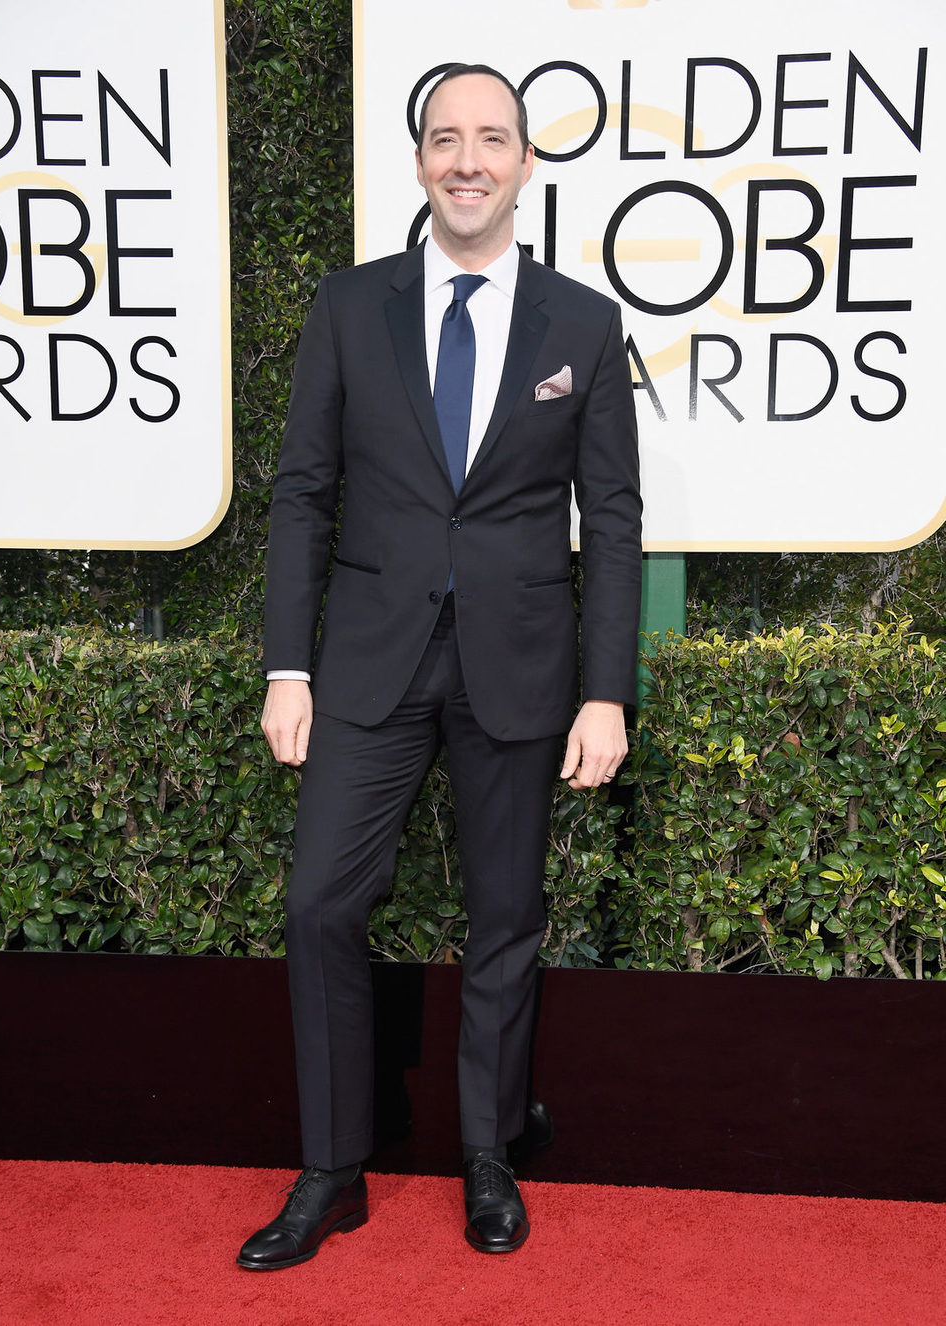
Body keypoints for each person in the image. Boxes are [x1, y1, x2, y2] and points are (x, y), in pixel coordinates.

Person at [237, 63, 642, 1269]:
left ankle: (487, 1160)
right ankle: (331, 1172)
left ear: (525, 164)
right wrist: (285, 668)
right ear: (420, 161)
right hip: (367, 663)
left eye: (493, 140)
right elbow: (305, 495)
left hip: (520, 668)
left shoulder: (584, 322)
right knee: (319, 905)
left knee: (506, 919)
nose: (469, 160)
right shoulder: (349, 306)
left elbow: (611, 518)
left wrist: (606, 689)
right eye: (446, 140)